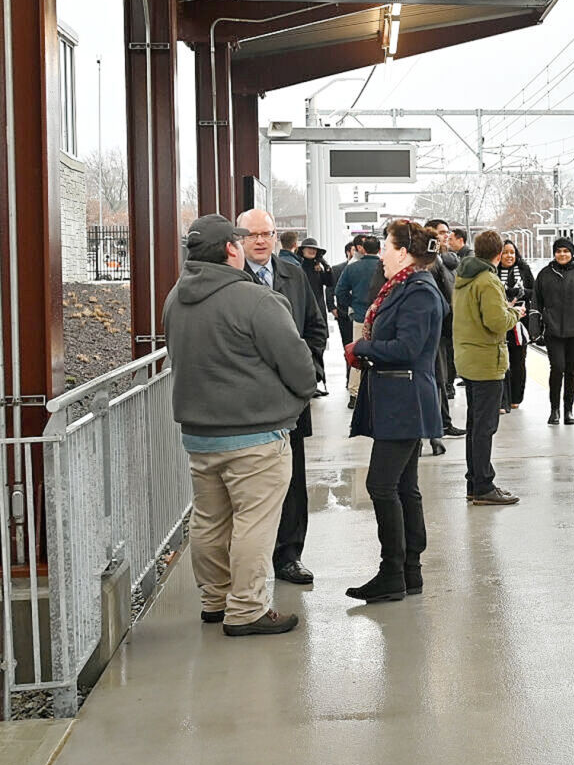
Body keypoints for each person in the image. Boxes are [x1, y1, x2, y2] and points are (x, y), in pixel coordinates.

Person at [163, 214, 315, 637]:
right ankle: (246, 608)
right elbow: (298, 363)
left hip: (199, 435)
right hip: (256, 436)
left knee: (209, 519)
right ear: (232, 249)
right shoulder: (255, 300)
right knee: (253, 523)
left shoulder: (175, 298)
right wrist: (297, 399)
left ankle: (215, 599)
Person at [343, 219, 445, 602]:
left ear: (403, 252)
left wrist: (362, 349)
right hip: (399, 397)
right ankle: (408, 572)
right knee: (404, 486)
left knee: (381, 485)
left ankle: (393, 572)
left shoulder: (417, 291)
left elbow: (408, 348)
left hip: (404, 399)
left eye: (386, 246)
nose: (380, 254)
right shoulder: (404, 287)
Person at [238, 208, 329, 586]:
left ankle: (289, 555)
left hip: (291, 399)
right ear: (238, 239)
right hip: (247, 402)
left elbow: (315, 327)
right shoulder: (230, 279)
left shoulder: (292, 274)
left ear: (276, 237)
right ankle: (248, 564)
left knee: (293, 480)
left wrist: (307, 373)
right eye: (252, 234)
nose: (260, 241)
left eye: (267, 233)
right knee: (251, 484)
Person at [455, 229, 520, 505]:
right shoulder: (487, 281)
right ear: (497, 254)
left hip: (469, 358)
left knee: (475, 424)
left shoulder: (464, 277)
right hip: (486, 361)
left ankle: (475, 482)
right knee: (485, 427)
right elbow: (496, 322)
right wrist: (515, 313)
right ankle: (483, 486)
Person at [531, 236, 574, 426]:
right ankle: (554, 410)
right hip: (553, 331)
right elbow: (536, 303)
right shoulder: (545, 274)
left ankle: (568, 409)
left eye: (566, 251)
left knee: (571, 371)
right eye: (559, 251)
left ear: (572, 253)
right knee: (557, 368)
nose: (562, 254)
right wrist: (535, 330)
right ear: (554, 253)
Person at [423, 219, 466, 452]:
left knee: (441, 378)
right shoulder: (430, 261)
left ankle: (444, 424)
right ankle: (437, 427)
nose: (444, 237)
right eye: (440, 233)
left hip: (445, 326)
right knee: (436, 378)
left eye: (446, 233)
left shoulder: (445, 259)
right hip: (435, 327)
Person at [333, 233, 383, 407]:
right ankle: (378, 391)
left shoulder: (352, 268)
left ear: (362, 249)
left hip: (360, 316)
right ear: (379, 249)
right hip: (382, 317)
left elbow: (339, 291)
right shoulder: (385, 267)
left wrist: (351, 305)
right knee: (381, 354)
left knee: (357, 353)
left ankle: (354, 393)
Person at [495, 240, 535, 412]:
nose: (509, 256)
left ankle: (516, 398)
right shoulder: (493, 272)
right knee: (501, 362)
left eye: (512, 252)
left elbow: (535, 292)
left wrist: (522, 293)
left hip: (521, 324)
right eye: (505, 252)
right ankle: (502, 400)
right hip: (500, 323)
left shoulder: (524, 270)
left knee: (518, 362)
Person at [334, 239, 360, 349]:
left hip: (359, 312)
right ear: (348, 252)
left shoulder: (361, 267)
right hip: (343, 313)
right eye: (355, 250)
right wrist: (332, 307)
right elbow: (332, 289)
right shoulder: (337, 269)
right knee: (347, 344)